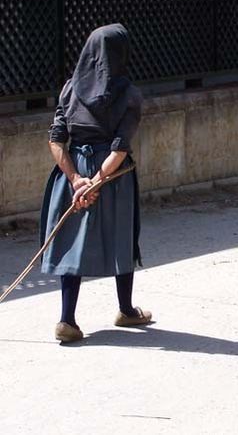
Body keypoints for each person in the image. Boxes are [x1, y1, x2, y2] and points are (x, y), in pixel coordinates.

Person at [40, 24, 151, 343]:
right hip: (111, 176)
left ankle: (67, 319)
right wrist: (97, 181)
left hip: (74, 171)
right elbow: (120, 145)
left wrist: (76, 179)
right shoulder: (129, 93)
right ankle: (127, 310)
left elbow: (56, 138)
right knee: (122, 236)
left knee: (71, 242)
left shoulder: (69, 88)